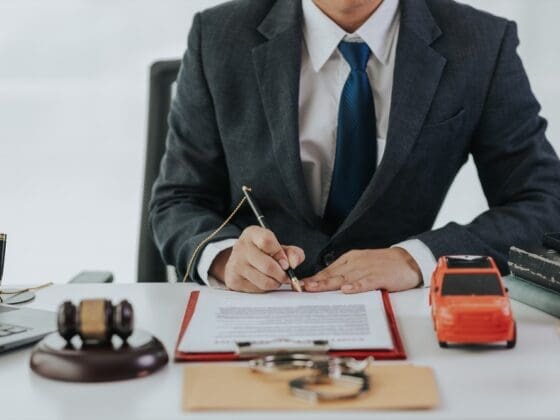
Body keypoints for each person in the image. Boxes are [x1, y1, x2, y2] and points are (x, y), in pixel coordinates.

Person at [149, 0, 560, 293]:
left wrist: (415, 258)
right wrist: (222, 257)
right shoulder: (218, 37)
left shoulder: (481, 44)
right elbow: (178, 200)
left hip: (404, 311)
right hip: (258, 309)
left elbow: (543, 202)